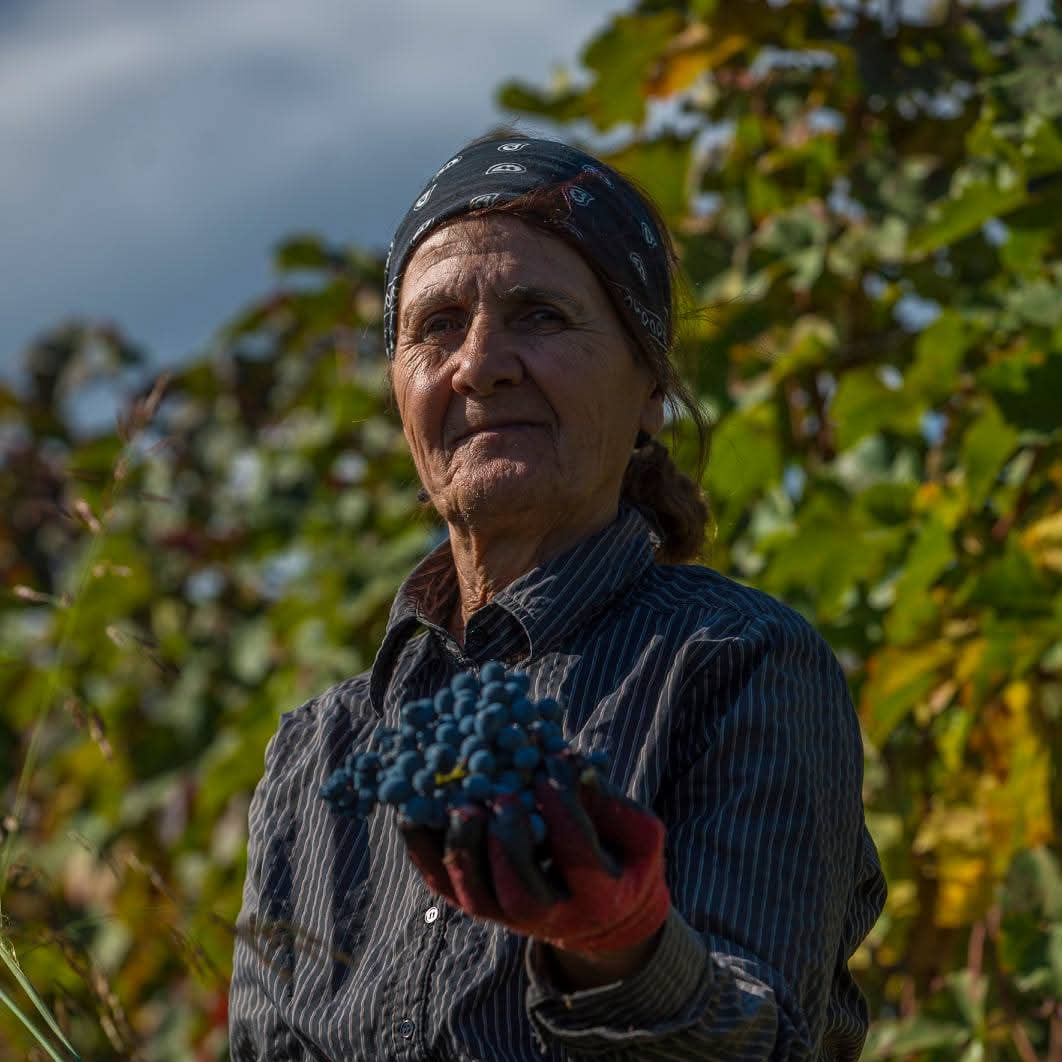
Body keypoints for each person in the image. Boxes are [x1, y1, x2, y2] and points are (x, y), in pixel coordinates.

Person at [229, 132, 887, 1061]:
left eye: (540, 315)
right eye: (438, 325)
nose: (480, 363)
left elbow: (762, 1039)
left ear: (651, 385)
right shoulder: (317, 754)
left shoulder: (736, 665)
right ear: (398, 387)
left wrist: (623, 951)